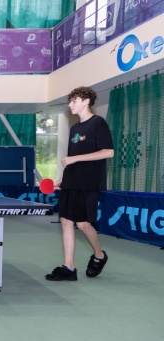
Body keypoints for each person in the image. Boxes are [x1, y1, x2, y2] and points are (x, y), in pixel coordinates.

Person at [46, 86, 114, 282]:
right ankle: (69, 267)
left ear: (86, 101)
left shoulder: (98, 123)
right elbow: (71, 159)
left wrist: (75, 159)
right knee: (66, 221)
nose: (70, 104)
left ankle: (99, 256)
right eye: (70, 101)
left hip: (89, 181)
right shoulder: (74, 129)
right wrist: (63, 179)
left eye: (74, 100)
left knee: (83, 224)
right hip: (71, 181)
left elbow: (108, 152)